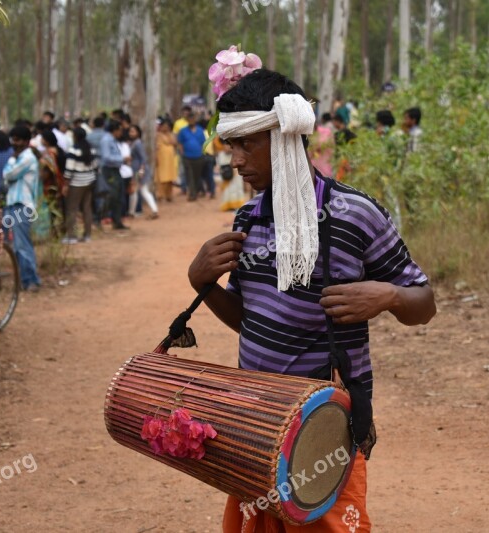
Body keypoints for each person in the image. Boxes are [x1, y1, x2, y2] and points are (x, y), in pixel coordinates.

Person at [188, 69, 436, 532]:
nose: (237, 160)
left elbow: (425, 302)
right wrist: (202, 284)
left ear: (286, 136)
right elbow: (251, 323)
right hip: (257, 418)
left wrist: (388, 296)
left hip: (325, 422)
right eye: (232, 146)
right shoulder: (249, 218)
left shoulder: (354, 214)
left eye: (248, 144)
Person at [3, 126, 42, 292]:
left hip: (22, 205)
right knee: (15, 245)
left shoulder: (27, 159)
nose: (14, 143)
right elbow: (6, 178)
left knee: (22, 245)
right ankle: (23, 280)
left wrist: (11, 161)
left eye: (17, 140)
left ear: (26, 142)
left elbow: (9, 175)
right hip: (13, 203)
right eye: (13, 139)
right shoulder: (19, 158)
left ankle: (31, 280)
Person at [62, 127, 97, 244]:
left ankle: (72, 236)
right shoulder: (91, 148)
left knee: (72, 208)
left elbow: (69, 169)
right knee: (87, 208)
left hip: (77, 182)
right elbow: (95, 165)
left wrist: (66, 183)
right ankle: (87, 235)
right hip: (89, 180)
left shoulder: (74, 150)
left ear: (75, 136)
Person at [99, 120, 130, 231]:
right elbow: (106, 157)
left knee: (118, 195)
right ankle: (99, 218)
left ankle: (117, 221)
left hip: (116, 170)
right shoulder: (106, 140)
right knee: (111, 195)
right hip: (109, 170)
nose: (121, 133)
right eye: (120, 130)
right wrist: (121, 159)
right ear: (115, 130)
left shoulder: (112, 140)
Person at [128, 125, 159, 219]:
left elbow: (143, 159)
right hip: (136, 170)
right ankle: (133, 211)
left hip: (139, 170)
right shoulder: (134, 143)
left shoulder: (137, 144)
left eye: (133, 131)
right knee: (139, 191)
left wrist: (141, 171)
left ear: (138, 133)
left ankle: (133, 212)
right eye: (130, 131)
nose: (131, 133)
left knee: (138, 190)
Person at [176, 111, 206, 202]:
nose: (191, 121)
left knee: (196, 176)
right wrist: (182, 153)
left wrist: (202, 153)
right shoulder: (182, 131)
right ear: (187, 120)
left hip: (198, 157)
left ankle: (195, 192)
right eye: (189, 119)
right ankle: (192, 195)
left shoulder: (200, 130)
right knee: (189, 176)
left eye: (193, 119)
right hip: (187, 157)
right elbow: (180, 143)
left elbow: (203, 143)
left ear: (195, 120)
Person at [214, 135, 246, 212]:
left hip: (236, 174)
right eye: (225, 145)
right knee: (227, 190)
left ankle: (238, 205)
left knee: (237, 187)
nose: (226, 147)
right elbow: (219, 164)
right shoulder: (221, 154)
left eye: (228, 145)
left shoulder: (236, 152)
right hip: (226, 174)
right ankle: (228, 205)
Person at [155, 118, 179, 202]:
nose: (165, 128)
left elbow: (175, 143)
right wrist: (156, 158)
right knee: (162, 178)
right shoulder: (157, 135)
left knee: (170, 178)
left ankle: (169, 195)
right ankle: (160, 195)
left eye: (167, 126)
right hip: (161, 159)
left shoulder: (171, 134)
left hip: (170, 160)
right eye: (164, 126)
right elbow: (156, 148)